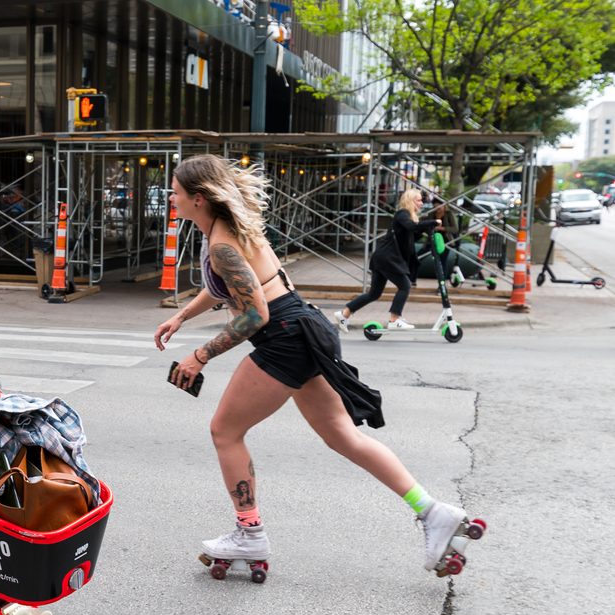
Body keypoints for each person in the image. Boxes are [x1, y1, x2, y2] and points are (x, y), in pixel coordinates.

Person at [154, 154, 470, 574]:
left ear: (197, 198)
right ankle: (432, 512)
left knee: (225, 431)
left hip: (284, 336)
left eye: (174, 192)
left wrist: (200, 355)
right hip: (305, 327)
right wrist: (181, 316)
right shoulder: (231, 228)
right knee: (343, 436)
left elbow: (254, 315)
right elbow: (227, 289)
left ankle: (249, 533)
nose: (170, 198)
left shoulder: (222, 245)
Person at [335, 188, 441, 332]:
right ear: (410, 201)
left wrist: (425, 230)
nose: (421, 203)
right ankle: (395, 319)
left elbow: (411, 234)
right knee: (405, 286)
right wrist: (432, 222)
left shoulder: (407, 217)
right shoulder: (402, 214)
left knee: (374, 293)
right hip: (387, 258)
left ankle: (344, 314)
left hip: (383, 258)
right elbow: (411, 227)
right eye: (418, 200)